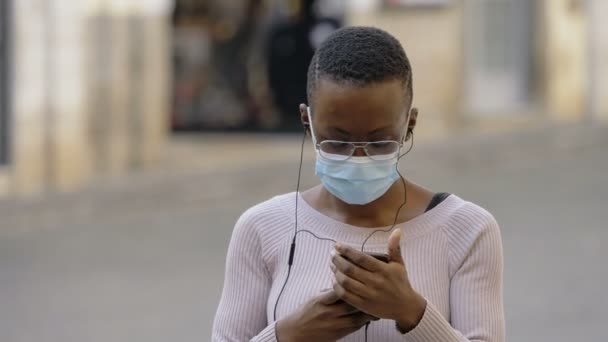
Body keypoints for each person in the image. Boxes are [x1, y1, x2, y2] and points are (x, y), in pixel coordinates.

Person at [212, 27, 505, 341]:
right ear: (307, 122)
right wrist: (290, 334)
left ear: (410, 124)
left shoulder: (468, 230)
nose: (359, 157)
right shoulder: (261, 229)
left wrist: (411, 312)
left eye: (380, 142)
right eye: (337, 141)